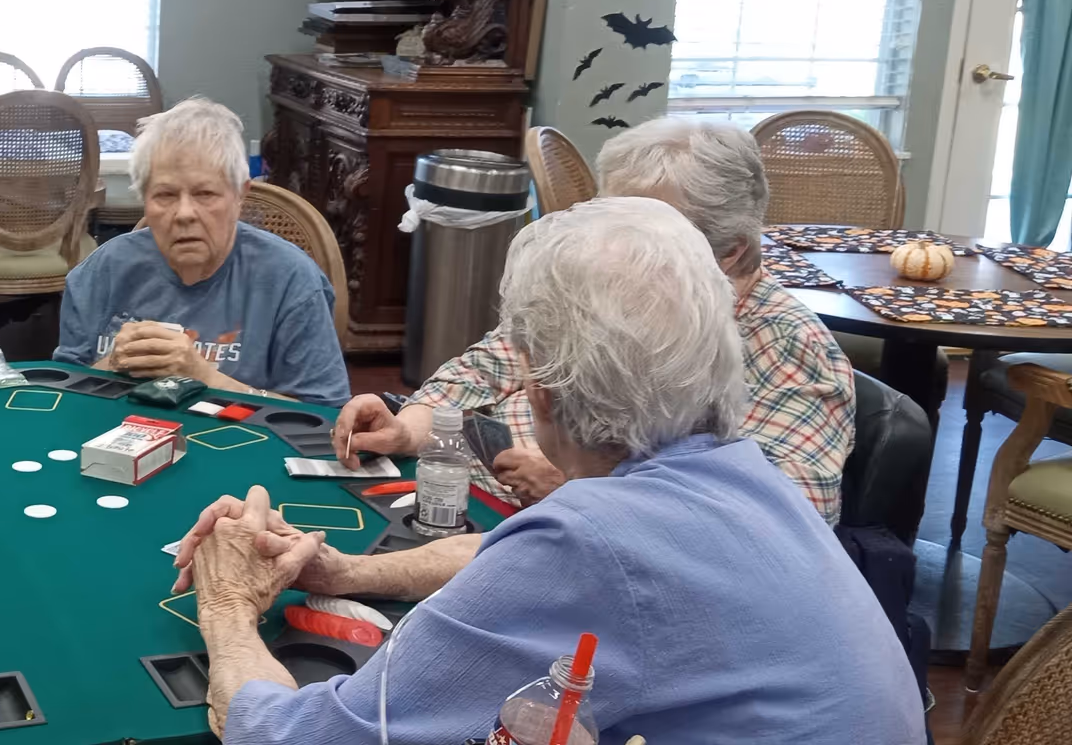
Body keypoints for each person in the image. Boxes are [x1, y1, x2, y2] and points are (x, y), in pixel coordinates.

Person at [172, 197, 924, 744]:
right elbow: (562, 570)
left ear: (540, 391)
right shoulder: (743, 474)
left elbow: (308, 740)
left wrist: (229, 610)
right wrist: (346, 575)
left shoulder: (595, 539)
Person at [338, 117, 853, 521]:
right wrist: (409, 428)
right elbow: (487, 367)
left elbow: (772, 532)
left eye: (643, 234)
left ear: (729, 253)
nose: (610, 243)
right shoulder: (605, 283)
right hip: (466, 499)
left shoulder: (790, 348)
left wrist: (580, 491)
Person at [52, 97, 350, 406]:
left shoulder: (292, 280)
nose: (184, 214)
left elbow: (324, 418)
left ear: (239, 196)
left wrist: (206, 378)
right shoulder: (100, 272)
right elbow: (64, 394)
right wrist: (112, 363)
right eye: (165, 195)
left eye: (204, 193)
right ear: (145, 201)